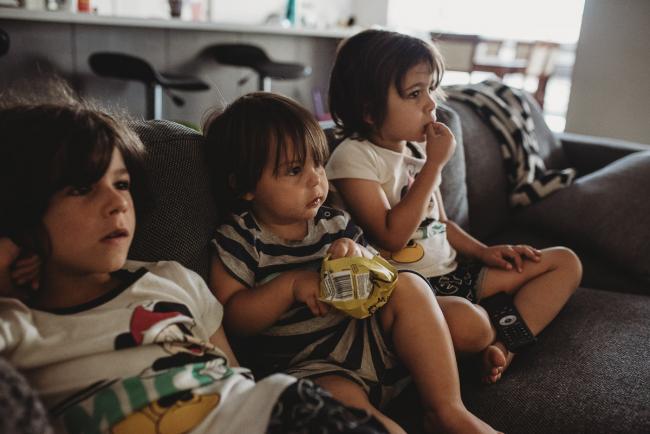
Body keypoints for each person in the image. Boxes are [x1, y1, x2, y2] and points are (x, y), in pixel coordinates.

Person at [0, 98, 389, 434]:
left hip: (274, 413)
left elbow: (236, 374)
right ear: (22, 213)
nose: (119, 204)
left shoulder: (171, 279)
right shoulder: (16, 325)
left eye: (121, 184)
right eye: (83, 189)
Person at [204, 92, 501, 434]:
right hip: (314, 366)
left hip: (371, 336)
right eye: (294, 170)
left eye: (318, 163)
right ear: (243, 186)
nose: (316, 178)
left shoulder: (335, 223)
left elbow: (382, 283)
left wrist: (360, 258)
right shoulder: (240, 238)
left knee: (431, 299)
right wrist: (289, 287)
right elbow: (232, 318)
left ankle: (447, 408)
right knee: (342, 403)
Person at [325, 29, 583, 384]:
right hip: (412, 295)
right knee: (469, 324)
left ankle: (506, 347)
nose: (431, 104)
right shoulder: (354, 158)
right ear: (369, 110)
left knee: (564, 262)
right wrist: (434, 167)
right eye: (415, 94)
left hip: (455, 276)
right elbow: (392, 236)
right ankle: (490, 331)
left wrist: (484, 251)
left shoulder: (416, 149)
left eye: (431, 89)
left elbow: (441, 224)